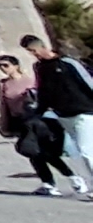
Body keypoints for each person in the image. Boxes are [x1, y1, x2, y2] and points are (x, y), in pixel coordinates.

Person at [21, 35, 93, 200]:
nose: (34, 54)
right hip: (63, 114)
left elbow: (88, 82)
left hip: (85, 112)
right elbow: (44, 91)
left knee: (86, 151)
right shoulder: (39, 67)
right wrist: (39, 110)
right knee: (82, 151)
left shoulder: (68, 63)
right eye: (30, 52)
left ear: (42, 47)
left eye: (34, 50)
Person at [0, 56, 75, 196]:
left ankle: (71, 177)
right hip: (20, 121)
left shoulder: (31, 81)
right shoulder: (4, 84)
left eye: (5, 65)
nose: (3, 68)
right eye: (0, 66)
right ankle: (49, 183)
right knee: (34, 153)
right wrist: (4, 125)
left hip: (38, 120)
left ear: (15, 65)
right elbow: (3, 105)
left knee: (42, 152)